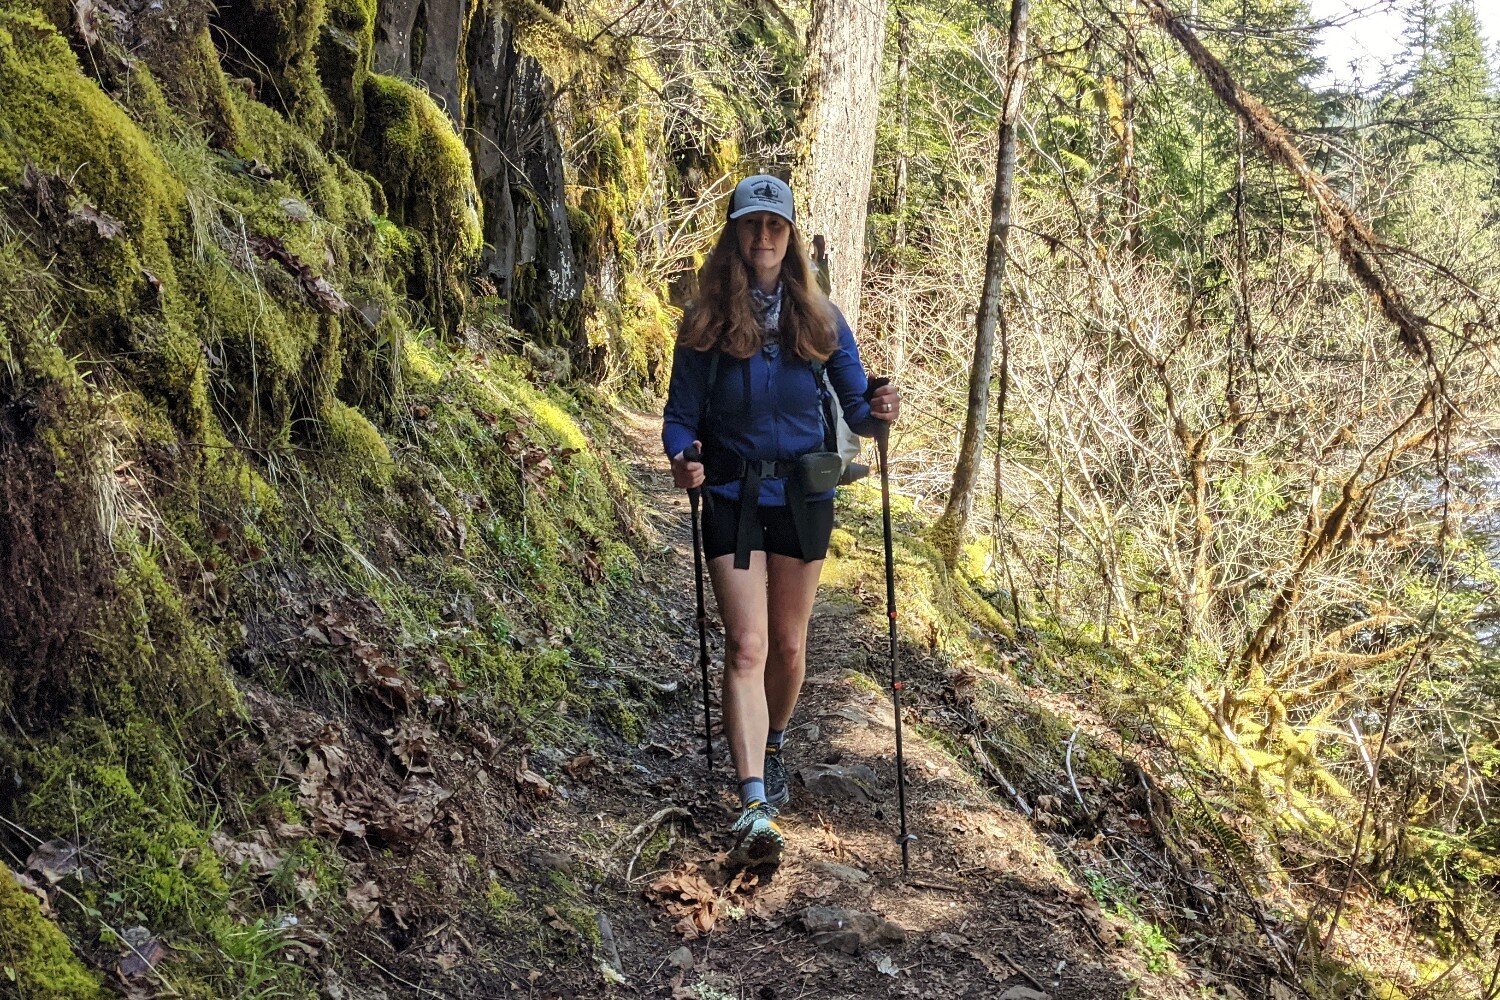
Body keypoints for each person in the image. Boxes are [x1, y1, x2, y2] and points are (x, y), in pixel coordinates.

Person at [662, 174, 901, 867]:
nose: (764, 237)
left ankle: (773, 740)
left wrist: (879, 409)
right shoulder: (705, 321)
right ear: (735, 234)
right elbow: (680, 417)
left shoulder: (821, 319)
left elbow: (856, 408)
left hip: (802, 497)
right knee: (746, 646)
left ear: (790, 236)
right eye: (751, 225)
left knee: (789, 649)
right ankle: (754, 804)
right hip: (734, 496)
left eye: (775, 225)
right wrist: (685, 458)